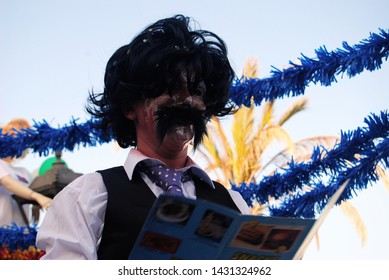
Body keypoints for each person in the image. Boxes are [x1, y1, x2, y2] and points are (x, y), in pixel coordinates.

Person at [36, 14, 250, 260]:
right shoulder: (88, 196)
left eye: (197, 91)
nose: (186, 100)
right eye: (169, 87)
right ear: (129, 107)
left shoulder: (233, 204)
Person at [0, 119, 53, 226]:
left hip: (21, 232)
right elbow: (8, 183)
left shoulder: (23, 172)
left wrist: (37, 205)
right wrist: (36, 196)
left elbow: (33, 189)